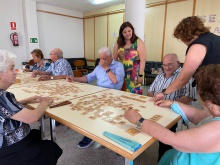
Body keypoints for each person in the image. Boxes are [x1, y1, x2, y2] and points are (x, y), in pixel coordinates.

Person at [124, 64, 220, 165]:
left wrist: (139, 120)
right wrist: (172, 103)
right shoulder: (216, 113)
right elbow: (198, 115)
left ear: (208, 104)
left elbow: (172, 138)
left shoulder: (215, 130)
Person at [0, 49, 62, 165]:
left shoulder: (4, 96)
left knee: (36, 134)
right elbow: (32, 118)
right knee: (51, 147)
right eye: (12, 68)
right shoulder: (2, 96)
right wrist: (45, 102)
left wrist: (26, 100)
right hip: (10, 149)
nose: (15, 72)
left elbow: (6, 109)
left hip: (6, 144)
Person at [66, 47, 125, 148]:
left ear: (111, 56)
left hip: (114, 95)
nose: (101, 61)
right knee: (88, 112)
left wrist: (106, 68)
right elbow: (88, 78)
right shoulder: (99, 67)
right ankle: (90, 135)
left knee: (113, 118)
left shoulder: (118, 66)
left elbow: (115, 81)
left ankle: (116, 141)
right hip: (99, 94)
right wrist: (74, 78)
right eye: (100, 58)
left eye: (104, 58)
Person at [153, 16, 220, 102]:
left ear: (184, 34)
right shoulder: (215, 39)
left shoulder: (198, 45)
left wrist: (164, 93)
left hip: (215, 91)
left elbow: (183, 78)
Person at [147, 53, 197, 161]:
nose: (166, 67)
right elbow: (150, 91)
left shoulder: (185, 76)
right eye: (164, 65)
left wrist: (171, 106)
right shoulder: (160, 75)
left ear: (178, 63)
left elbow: (188, 98)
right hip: (157, 107)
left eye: (169, 64)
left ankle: (164, 160)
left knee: (166, 134)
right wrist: (154, 99)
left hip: (175, 111)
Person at [113, 22, 146, 94]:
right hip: (121, 73)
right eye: (124, 32)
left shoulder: (138, 42)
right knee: (121, 94)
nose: (127, 33)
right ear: (121, 33)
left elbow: (143, 60)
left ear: (132, 30)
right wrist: (115, 73)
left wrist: (140, 75)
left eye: (129, 31)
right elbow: (115, 59)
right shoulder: (118, 42)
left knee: (134, 96)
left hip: (135, 74)